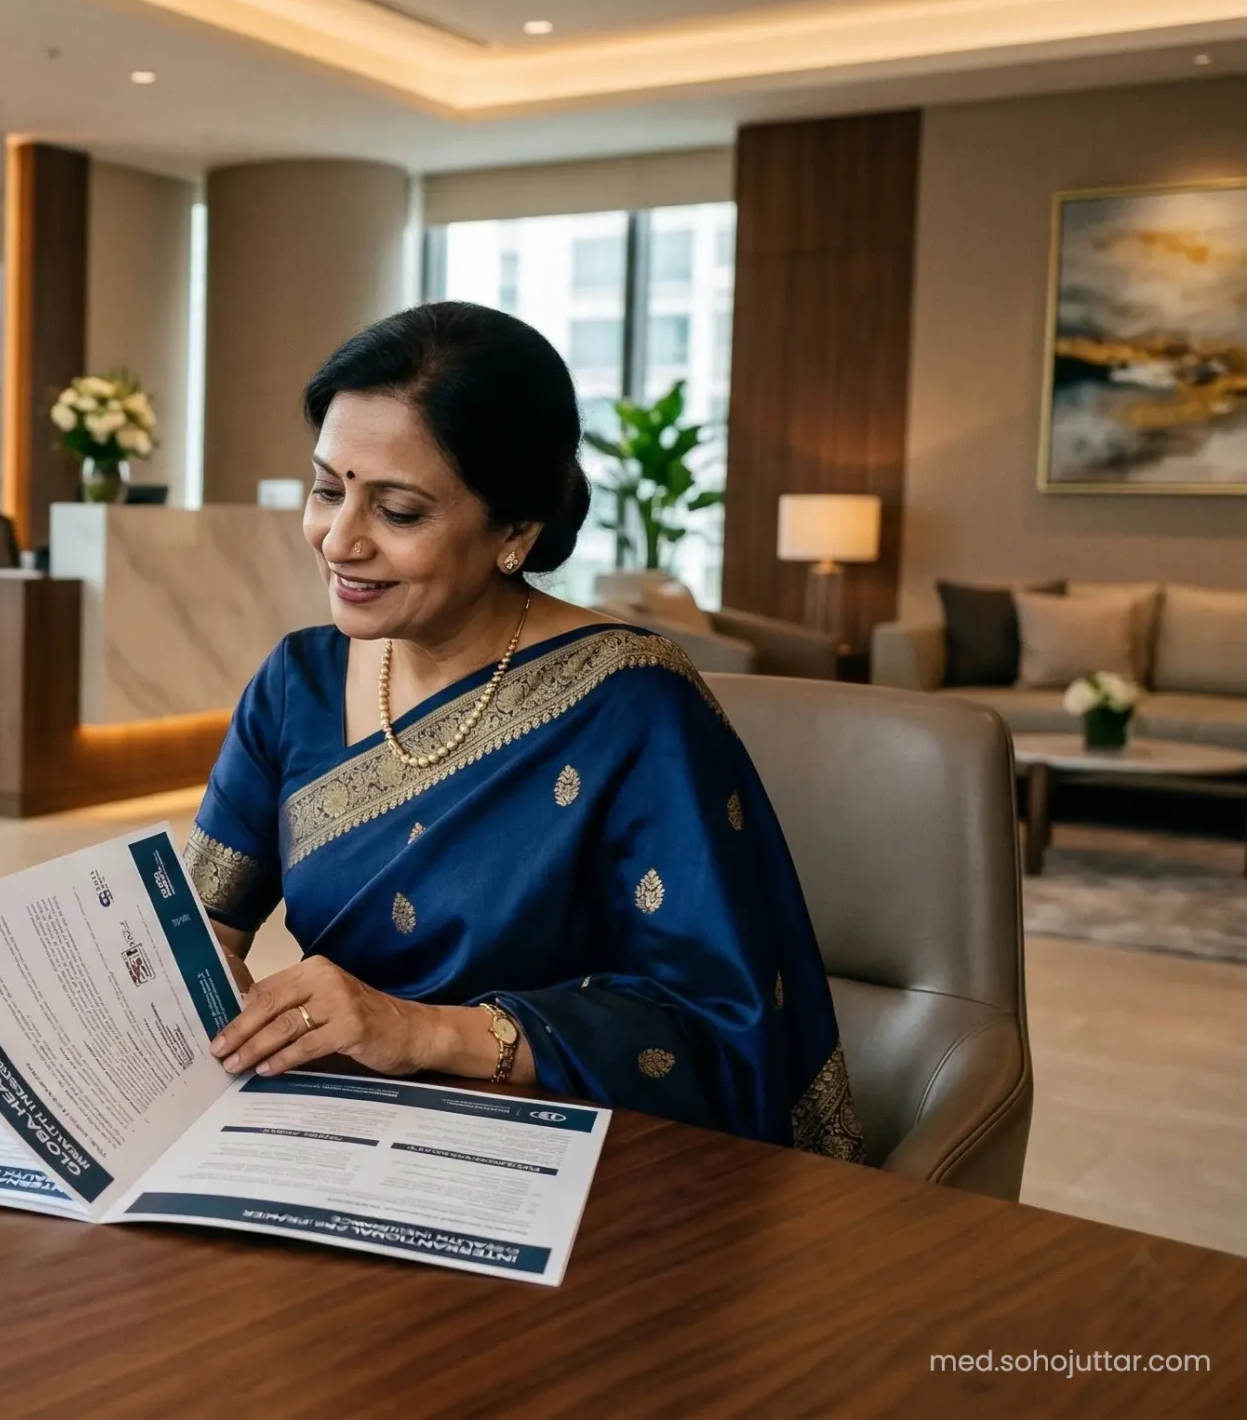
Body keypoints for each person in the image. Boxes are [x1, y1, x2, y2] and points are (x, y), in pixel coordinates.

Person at [189, 302, 862, 1161]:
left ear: (514, 532)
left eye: (396, 511)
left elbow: (711, 1033)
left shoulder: (633, 704)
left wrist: (422, 1031)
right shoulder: (299, 682)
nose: (338, 540)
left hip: (577, 1154)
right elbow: (199, 923)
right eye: (327, 489)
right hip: (342, 1136)